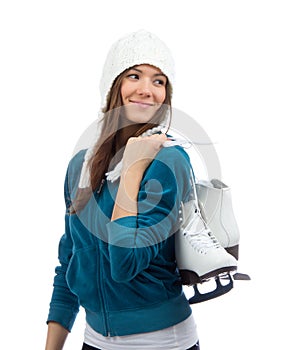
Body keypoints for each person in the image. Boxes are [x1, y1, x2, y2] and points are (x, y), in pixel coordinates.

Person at [45, 30, 200, 350]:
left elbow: (125, 262)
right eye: (134, 75)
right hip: (94, 341)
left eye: (159, 81)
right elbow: (70, 262)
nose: (147, 90)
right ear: (112, 86)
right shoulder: (80, 167)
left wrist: (132, 170)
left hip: (162, 343)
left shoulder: (169, 162)